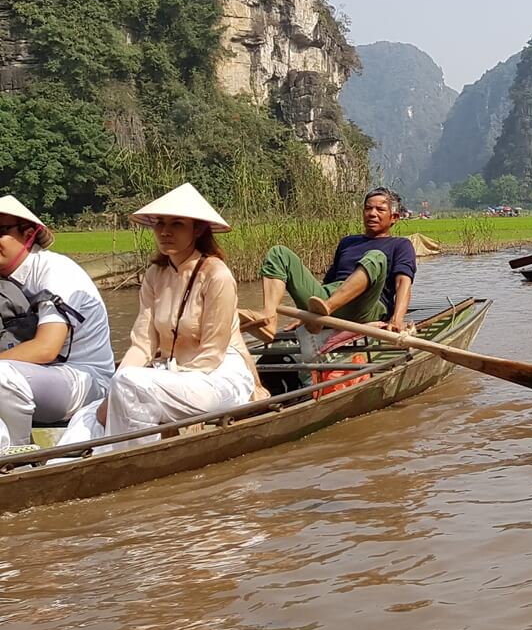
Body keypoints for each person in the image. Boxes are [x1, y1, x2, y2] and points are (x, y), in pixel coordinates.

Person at [57, 184, 266, 452]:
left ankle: (124, 462)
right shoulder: (155, 275)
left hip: (219, 377)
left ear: (198, 229)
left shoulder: (216, 275)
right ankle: (58, 465)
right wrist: (111, 395)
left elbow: (212, 353)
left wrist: (181, 405)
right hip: (172, 375)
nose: (165, 231)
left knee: (131, 386)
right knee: (90, 413)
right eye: (159, 223)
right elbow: (142, 345)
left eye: (177, 224)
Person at [0, 196, 114, 454]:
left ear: (28, 235)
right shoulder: (5, 281)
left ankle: (18, 459)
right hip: (36, 378)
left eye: (1, 231)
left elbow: (45, 349)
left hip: (84, 379)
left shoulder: (56, 271)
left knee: (2, 376)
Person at [244, 188, 417, 337]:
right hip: (331, 297)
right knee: (279, 253)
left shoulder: (400, 245)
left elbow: (403, 283)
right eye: (368, 208)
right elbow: (328, 283)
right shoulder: (348, 242)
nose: (372, 213)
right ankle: (268, 318)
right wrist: (304, 314)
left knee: (376, 256)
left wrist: (397, 319)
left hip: (365, 306)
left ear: (394, 217)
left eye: (380, 209)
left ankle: (326, 309)